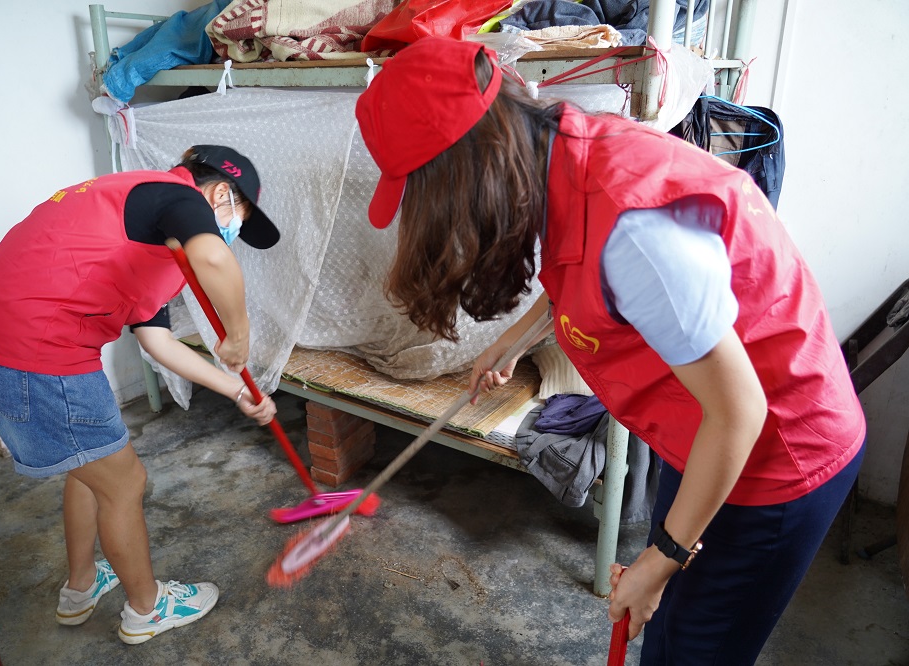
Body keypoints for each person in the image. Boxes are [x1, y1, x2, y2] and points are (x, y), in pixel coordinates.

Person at [354, 37, 865, 665]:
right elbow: (584, 266)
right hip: (708, 434)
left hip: (773, 459)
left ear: (463, 175)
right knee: (668, 632)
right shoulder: (563, 151)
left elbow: (740, 413)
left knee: (692, 651)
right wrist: (513, 343)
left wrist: (664, 557)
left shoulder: (634, 230)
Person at [0, 145, 280, 645]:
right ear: (219, 195)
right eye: (238, 218)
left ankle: (80, 587)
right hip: (35, 351)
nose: (230, 232)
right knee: (124, 484)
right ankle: (147, 609)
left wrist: (237, 390)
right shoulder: (174, 196)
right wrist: (238, 334)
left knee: (90, 468)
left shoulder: (148, 226)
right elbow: (213, 255)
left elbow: (157, 342)